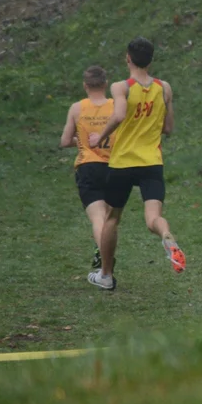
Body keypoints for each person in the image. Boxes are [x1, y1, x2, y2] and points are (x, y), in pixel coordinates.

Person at [87, 37, 186, 291]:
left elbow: (119, 115)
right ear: (151, 61)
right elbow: (169, 128)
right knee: (154, 218)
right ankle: (167, 237)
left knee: (111, 219)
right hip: (152, 162)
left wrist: (101, 137)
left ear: (127, 58)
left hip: (122, 163)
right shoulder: (164, 88)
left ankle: (106, 276)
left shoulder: (122, 87)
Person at [59, 65, 114, 271]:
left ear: (85, 86)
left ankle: (106, 263)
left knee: (98, 218)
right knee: (109, 219)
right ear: (105, 84)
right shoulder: (116, 106)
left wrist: (82, 140)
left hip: (88, 166)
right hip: (114, 166)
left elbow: (65, 141)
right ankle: (104, 253)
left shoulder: (77, 108)